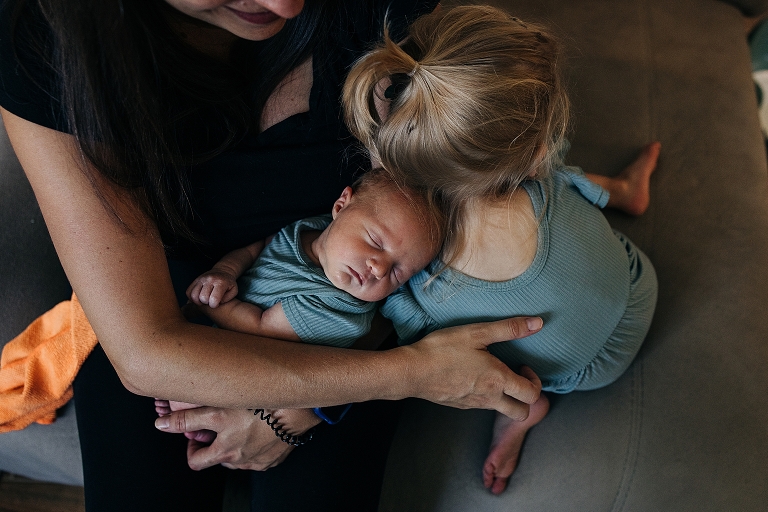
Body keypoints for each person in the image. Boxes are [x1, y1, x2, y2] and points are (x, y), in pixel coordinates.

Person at [0, 1, 545, 511]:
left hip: (346, 322)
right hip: (169, 306)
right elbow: (146, 352)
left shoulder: (385, 18)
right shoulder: (43, 39)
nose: (285, 8)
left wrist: (304, 407)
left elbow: (426, 235)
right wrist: (413, 375)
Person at [342, 5, 660, 496]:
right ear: (536, 150)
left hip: (568, 373)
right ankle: (621, 190)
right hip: (636, 288)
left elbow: (412, 334)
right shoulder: (544, 184)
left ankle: (520, 414)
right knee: (564, 184)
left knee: (481, 350)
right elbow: (549, 172)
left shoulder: (428, 283)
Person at [157, 168, 443, 436]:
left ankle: (195, 413)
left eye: (396, 272)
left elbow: (258, 329)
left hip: (249, 362)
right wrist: (225, 272)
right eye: (374, 242)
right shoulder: (314, 228)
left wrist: (211, 304)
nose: (378, 268)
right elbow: (257, 248)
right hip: (218, 323)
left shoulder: (338, 310)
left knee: (191, 387)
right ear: (341, 207)